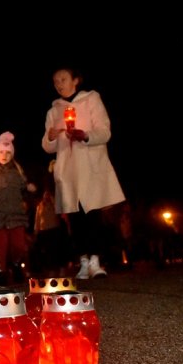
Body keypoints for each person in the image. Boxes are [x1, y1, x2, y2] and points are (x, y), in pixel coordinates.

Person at [41, 66, 125, 279]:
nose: (59, 84)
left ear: (76, 80)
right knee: (75, 217)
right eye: (55, 81)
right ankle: (83, 261)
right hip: (67, 170)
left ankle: (96, 261)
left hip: (89, 165)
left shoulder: (91, 99)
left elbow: (104, 130)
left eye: (62, 79)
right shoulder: (53, 111)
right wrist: (50, 137)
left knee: (93, 213)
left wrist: (85, 135)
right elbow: (48, 146)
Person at [0, 132, 36, 284]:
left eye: (8, 153)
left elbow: (25, 187)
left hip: (16, 213)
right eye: (1, 152)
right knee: (1, 246)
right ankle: (1, 272)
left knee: (18, 245)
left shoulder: (17, 171)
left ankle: (16, 264)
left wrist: (29, 190)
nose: (4, 155)